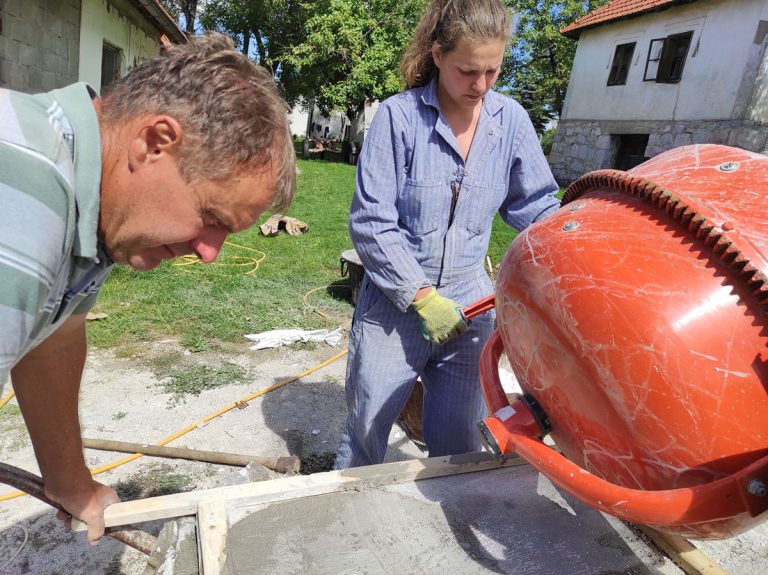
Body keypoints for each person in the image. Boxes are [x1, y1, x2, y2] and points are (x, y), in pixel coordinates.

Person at [0, 33, 295, 544]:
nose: (209, 253)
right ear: (155, 143)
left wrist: (72, 483)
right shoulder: (26, 205)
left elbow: (55, 337)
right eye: (210, 218)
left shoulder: (95, 210)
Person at [334, 0, 560, 468]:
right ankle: (350, 526)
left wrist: (572, 242)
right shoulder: (398, 119)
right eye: (467, 71)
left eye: (492, 71)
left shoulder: (511, 122)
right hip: (395, 307)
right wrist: (419, 296)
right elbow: (372, 221)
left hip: (471, 310)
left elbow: (535, 206)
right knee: (366, 431)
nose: (480, 86)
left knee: (458, 447)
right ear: (437, 55)